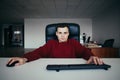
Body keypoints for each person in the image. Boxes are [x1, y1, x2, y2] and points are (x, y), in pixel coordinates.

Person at [7, 25, 103, 66]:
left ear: (69, 34)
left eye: (65, 33)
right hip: (53, 71)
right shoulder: (51, 43)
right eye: (60, 33)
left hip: (72, 71)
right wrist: (24, 58)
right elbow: (38, 52)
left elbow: (84, 52)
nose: (62, 35)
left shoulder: (73, 42)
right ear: (56, 33)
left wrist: (91, 56)